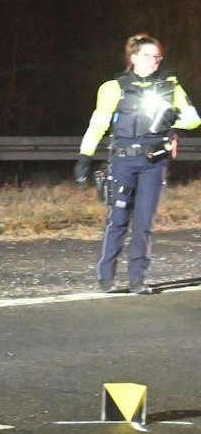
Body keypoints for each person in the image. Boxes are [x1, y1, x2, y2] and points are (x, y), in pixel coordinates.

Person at [76, 34, 199, 293]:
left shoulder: (170, 85)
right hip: (124, 160)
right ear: (133, 58)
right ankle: (107, 277)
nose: (154, 61)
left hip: (154, 162)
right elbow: (98, 122)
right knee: (118, 219)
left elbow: (193, 119)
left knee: (144, 222)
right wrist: (85, 156)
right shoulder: (113, 87)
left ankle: (137, 279)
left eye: (157, 57)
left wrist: (170, 118)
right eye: (147, 55)